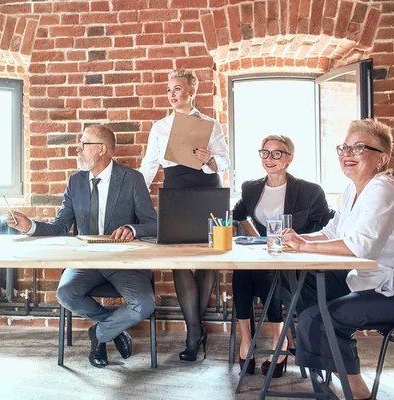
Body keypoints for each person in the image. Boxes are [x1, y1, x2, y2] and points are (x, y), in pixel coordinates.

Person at [7, 124, 157, 368]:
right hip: (87, 261)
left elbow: (153, 224)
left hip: (123, 262)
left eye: (84, 144)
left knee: (144, 304)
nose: (78, 149)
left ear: (101, 149)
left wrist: (132, 229)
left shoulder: (132, 179)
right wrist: (29, 227)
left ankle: (98, 334)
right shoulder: (76, 181)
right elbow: (61, 226)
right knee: (65, 293)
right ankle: (114, 329)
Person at [283, 119, 394, 400]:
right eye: (344, 148)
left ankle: (356, 391)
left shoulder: (383, 188)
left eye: (358, 148)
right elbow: (332, 231)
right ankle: (329, 361)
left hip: (387, 290)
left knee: (318, 318)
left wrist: (304, 248)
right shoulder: (352, 190)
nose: (347, 154)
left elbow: (362, 247)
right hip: (367, 278)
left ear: (382, 159)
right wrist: (300, 239)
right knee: (302, 281)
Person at [139, 69, 230, 361]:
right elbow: (149, 166)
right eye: (169, 90)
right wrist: (133, 196)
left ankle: (194, 331)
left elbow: (225, 164)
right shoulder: (159, 126)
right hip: (176, 189)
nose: (172, 94)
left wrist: (209, 160)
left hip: (208, 190)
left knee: (206, 259)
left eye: (177, 88)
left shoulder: (210, 124)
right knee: (179, 258)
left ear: (191, 91)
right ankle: (195, 328)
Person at [231, 135, 332, 377]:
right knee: (241, 271)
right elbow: (238, 214)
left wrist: (299, 242)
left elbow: (327, 227)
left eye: (277, 153)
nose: (270, 158)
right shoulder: (251, 188)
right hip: (264, 253)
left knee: (264, 273)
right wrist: (257, 237)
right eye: (265, 152)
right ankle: (247, 342)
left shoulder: (309, 191)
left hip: (295, 259)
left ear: (289, 159)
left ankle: (280, 340)